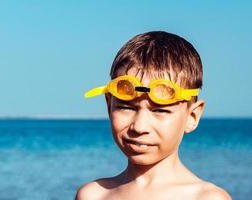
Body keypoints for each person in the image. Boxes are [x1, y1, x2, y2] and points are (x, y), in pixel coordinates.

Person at [76, 31, 232, 200]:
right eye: (126, 107)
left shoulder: (207, 198)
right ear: (109, 105)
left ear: (192, 116)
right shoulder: (93, 195)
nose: (139, 126)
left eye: (160, 110)